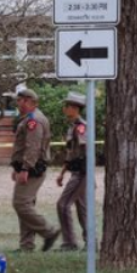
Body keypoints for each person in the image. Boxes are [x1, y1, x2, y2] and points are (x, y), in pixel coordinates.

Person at [11, 89, 61, 252]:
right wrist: (17, 168)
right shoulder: (29, 119)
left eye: (19, 101)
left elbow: (32, 147)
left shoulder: (34, 120)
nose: (17, 104)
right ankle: (26, 245)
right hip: (28, 167)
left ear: (26, 101)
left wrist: (25, 168)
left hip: (32, 168)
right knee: (27, 205)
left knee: (21, 204)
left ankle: (49, 231)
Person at [55, 92, 88, 252]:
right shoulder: (72, 126)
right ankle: (91, 242)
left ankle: (69, 242)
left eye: (67, 106)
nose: (64, 109)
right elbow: (71, 153)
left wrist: (85, 171)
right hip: (77, 171)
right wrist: (62, 172)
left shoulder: (81, 127)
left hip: (82, 173)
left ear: (75, 108)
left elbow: (85, 148)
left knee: (63, 204)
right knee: (82, 208)